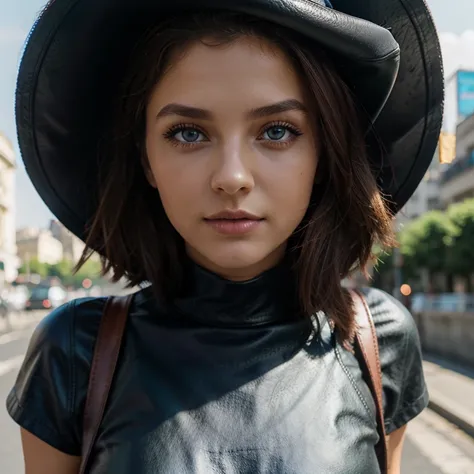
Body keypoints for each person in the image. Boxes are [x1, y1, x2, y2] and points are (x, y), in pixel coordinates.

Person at [7, 0, 444, 473]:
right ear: (146, 159)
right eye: (188, 134)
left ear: (324, 153)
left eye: (277, 130)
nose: (232, 177)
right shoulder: (75, 351)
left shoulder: (379, 340)